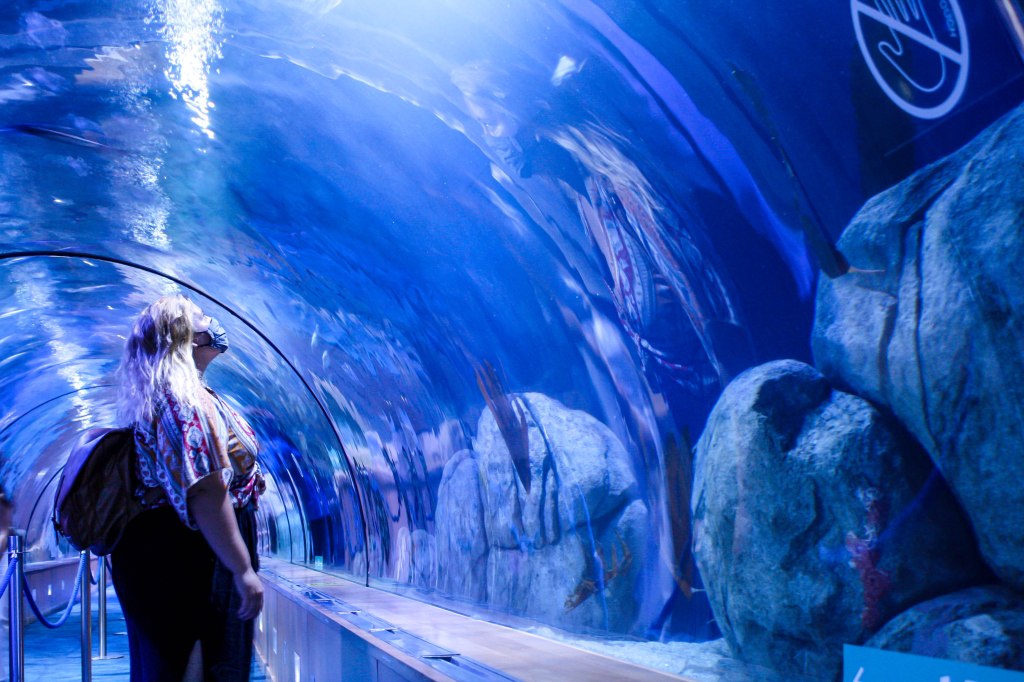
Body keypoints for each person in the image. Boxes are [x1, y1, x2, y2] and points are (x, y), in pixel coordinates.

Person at [111, 294, 266, 682]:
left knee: (175, 664)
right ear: (186, 336)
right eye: (201, 317)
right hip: (191, 553)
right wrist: (242, 569)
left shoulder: (169, 394)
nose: (212, 321)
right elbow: (204, 490)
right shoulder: (183, 400)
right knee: (198, 662)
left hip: (175, 548)